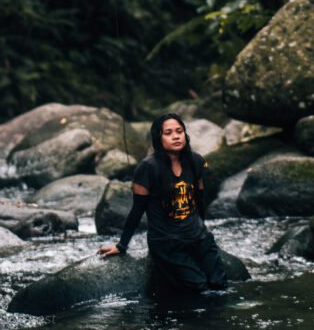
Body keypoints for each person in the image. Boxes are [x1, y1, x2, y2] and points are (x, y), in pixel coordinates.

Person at [98, 113, 228, 293]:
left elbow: (199, 198)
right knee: (200, 288)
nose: (176, 136)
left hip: (197, 237)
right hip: (167, 242)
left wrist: (202, 230)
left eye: (179, 131)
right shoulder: (148, 168)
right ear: (158, 138)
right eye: (168, 133)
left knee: (220, 285)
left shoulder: (196, 161)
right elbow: (137, 209)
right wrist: (122, 245)